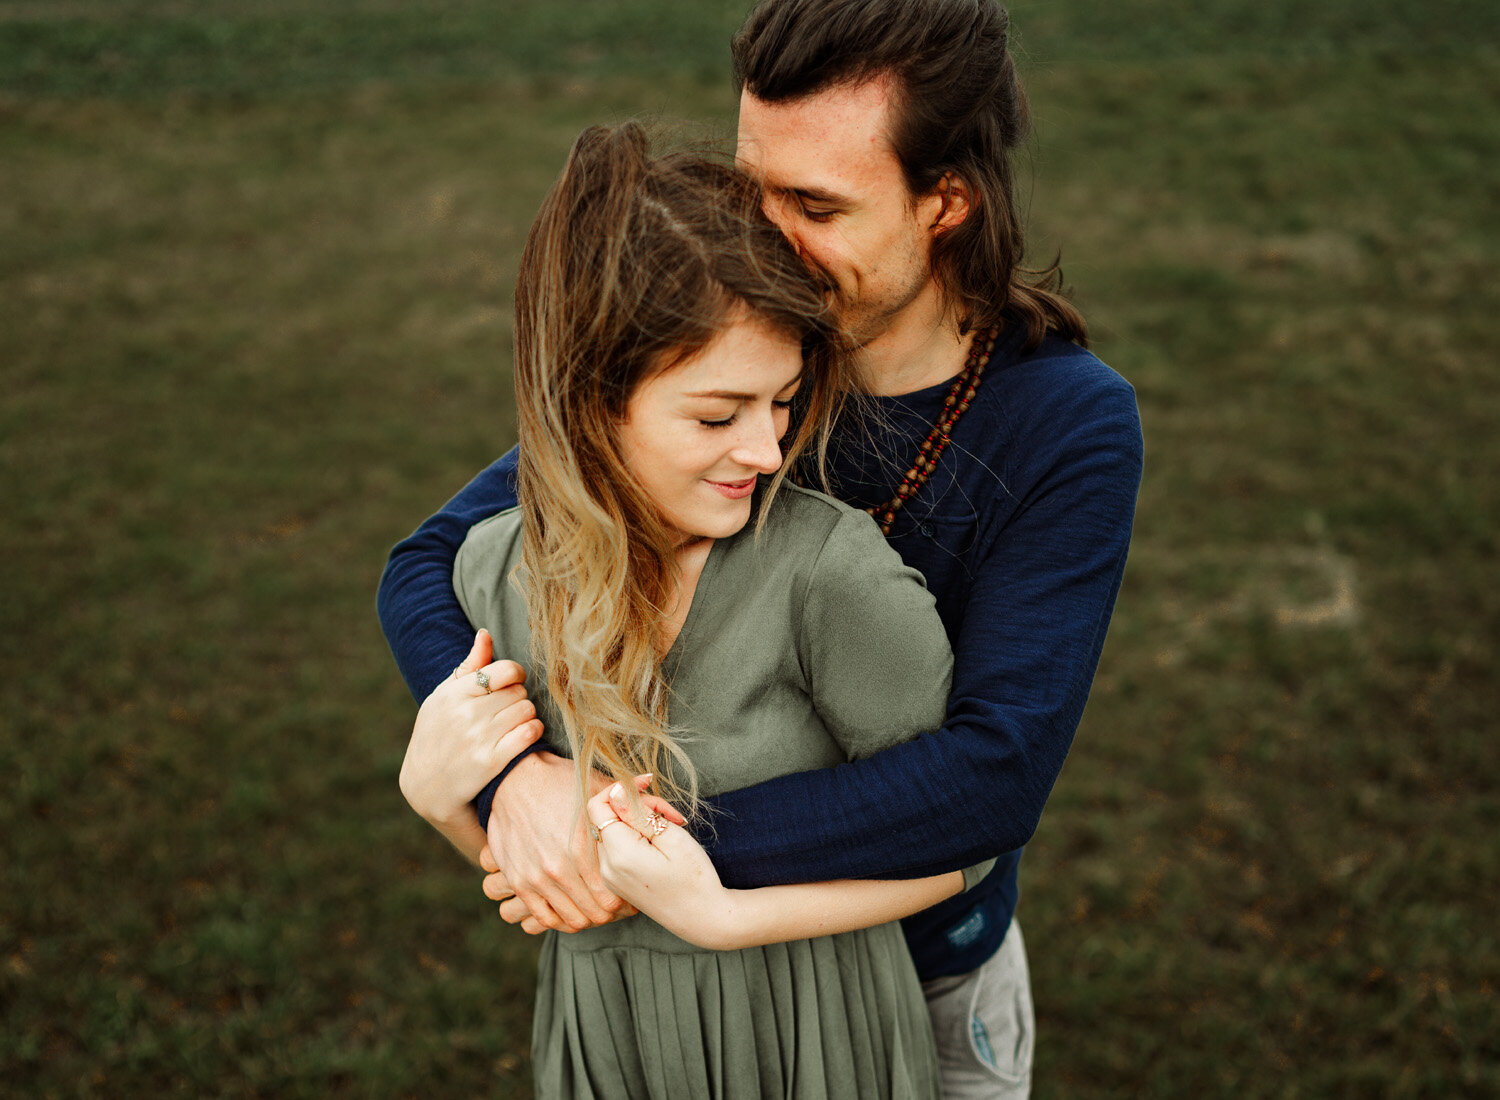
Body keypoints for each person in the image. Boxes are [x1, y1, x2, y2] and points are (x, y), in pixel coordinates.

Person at [379, 1, 1144, 1095]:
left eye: (817, 204)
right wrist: (512, 775)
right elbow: (430, 563)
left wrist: (613, 827)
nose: (768, 238)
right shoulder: (728, 353)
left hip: (913, 987)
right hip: (664, 994)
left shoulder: (1063, 422)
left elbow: (991, 776)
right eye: (754, 189)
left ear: (945, 202)